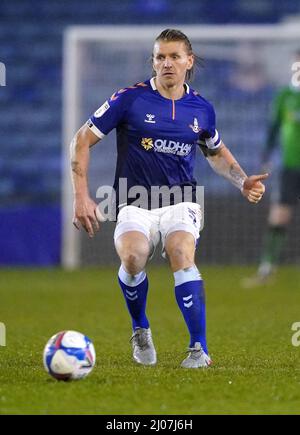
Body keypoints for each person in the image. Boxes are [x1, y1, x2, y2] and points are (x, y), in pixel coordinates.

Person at [70, 29, 267, 368]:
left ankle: (199, 349)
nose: (167, 63)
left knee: (180, 252)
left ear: (189, 61)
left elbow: (215, 151)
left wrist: (241, 180)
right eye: (160, 57)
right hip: (134, 199)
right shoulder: (129, 99)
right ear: (153, 62)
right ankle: (140, 328)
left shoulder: (201, 108)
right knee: (133, 259)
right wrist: (81, 195)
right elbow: (81, 140)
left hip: (181, 199)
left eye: (175, 56)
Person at [243, 50, 300, 287]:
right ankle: (266, 269)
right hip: (291, 165)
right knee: (279, 216)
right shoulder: (285, 95)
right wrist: (266, 156)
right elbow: (274, 128)